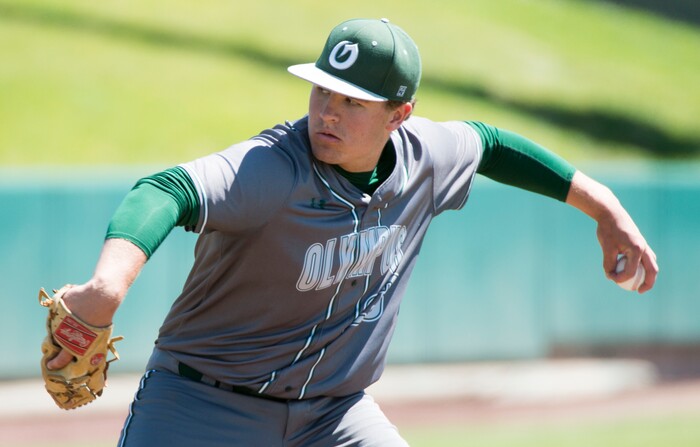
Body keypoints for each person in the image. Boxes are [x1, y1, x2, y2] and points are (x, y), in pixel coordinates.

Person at [46, 17, 658, 446]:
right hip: (205, 409)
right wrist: (106, 287)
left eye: (353, 102)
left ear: (400, 115)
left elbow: (493, 144)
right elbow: (167, 190)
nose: (327, 111)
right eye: (322, 90)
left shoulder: (427, 157)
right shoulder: (271, 169)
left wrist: (603, 208)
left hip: (333, 420)